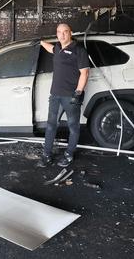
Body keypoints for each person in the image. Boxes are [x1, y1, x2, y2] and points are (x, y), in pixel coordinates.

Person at [37, 23, 89, 167]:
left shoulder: (79, 50)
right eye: (59, 32)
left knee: (73, 127)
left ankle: (69, 155)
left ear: (70, 33)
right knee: (50, 126)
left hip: (71, 96)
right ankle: (46, 155)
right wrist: (41, 42)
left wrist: (78, 93)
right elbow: (51, 48)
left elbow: (85, 73)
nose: (62, 35)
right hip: (55, 95)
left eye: (65, 32)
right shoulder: (58, 47)